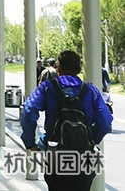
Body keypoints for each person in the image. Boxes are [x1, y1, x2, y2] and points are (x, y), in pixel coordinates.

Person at [21, 50, 113, 191]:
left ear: (58, 68)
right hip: (84, 158)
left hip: (56, 155)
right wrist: (90, 140)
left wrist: (30, 142)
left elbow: (28, 110)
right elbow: (105, 122)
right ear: (79, 70)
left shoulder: (47, 88)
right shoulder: (91, 91)